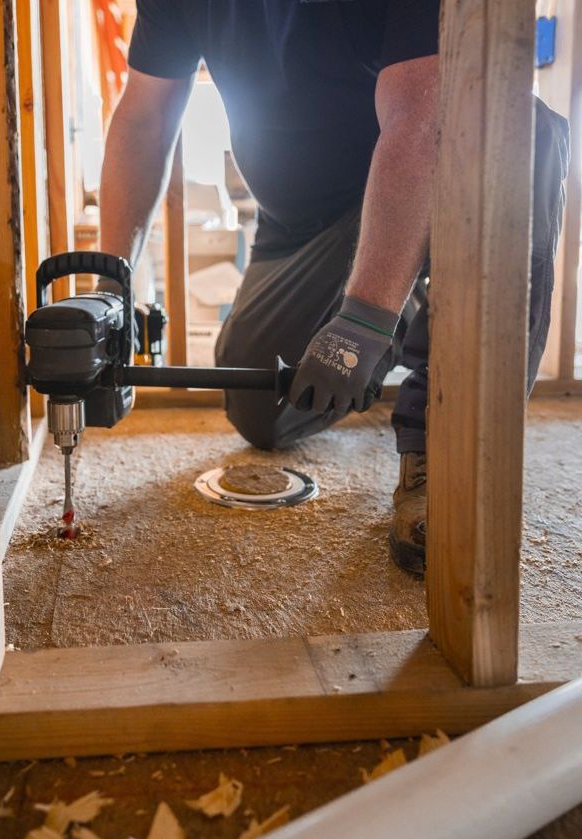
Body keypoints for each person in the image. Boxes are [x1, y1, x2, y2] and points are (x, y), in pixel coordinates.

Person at [98, 0, 569, 574]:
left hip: (422, 178)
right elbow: (144, 120)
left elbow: (420, 117)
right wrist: (110, 290)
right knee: (258, 410)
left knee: (512, 127)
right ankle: (401, 306)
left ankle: (448, 456)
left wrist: (364, 319)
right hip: (302, 230)